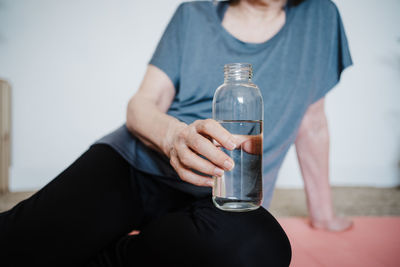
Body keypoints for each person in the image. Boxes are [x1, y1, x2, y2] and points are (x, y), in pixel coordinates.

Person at [0, 0, 352, 266]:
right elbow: (141, 104)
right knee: (17, 243)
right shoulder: (192, 15)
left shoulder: (320, 17)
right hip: (136, 163)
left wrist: (322, 213)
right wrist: (173, 139)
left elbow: (312, 121)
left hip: (226, 195)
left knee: (262, 249)